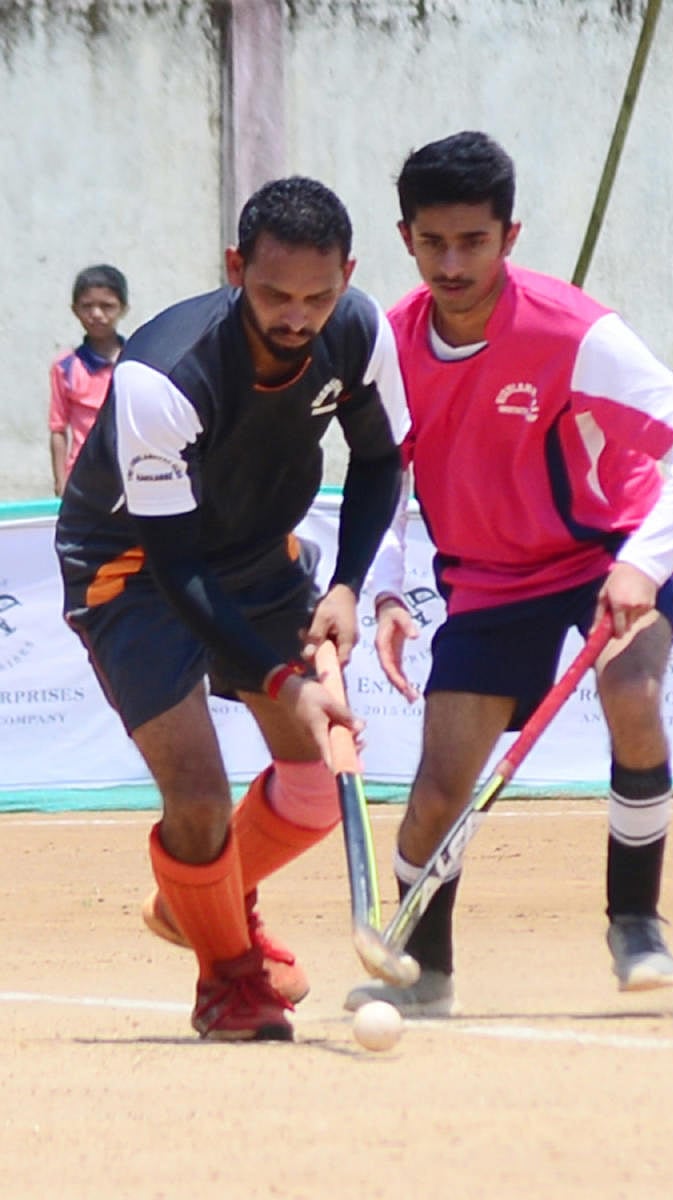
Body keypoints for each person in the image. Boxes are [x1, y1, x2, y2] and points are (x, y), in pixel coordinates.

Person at [345, 131, 673, 1017]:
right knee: (441, 786)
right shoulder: (385, 342)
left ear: (509, 237)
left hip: (607, 550)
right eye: (434, 242)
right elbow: (384, 473)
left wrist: (641, 563)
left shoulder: (576, 333)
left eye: (473, 243)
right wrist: (385, 589)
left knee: (631, 695)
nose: (452, 263)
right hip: (487, 576)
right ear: (406, 236)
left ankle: (635, 919)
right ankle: (423, 969)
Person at [55, 176, 409, 1041]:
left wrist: (348, 585)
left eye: (318, 296)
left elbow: (376, 462)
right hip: (133, 564)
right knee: (200, 796)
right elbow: (176, 568)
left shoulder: (359, 329)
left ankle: (197, 900)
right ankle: (227, 978)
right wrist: (281, 679)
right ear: (234, 267)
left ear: (348, 274)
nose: (298, 317)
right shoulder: (160, 376)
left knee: (318, 785)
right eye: (275, 294)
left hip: (256, 550)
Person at [48, 264, 129, 495]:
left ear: (123, 309)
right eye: (87, 306)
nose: (96, 314)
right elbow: (58, 429)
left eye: (107, 306)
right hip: (82, 477)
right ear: (75, 310)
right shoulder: (65, 367)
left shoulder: (136, 361)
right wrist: (61, 481)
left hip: (127, 473)